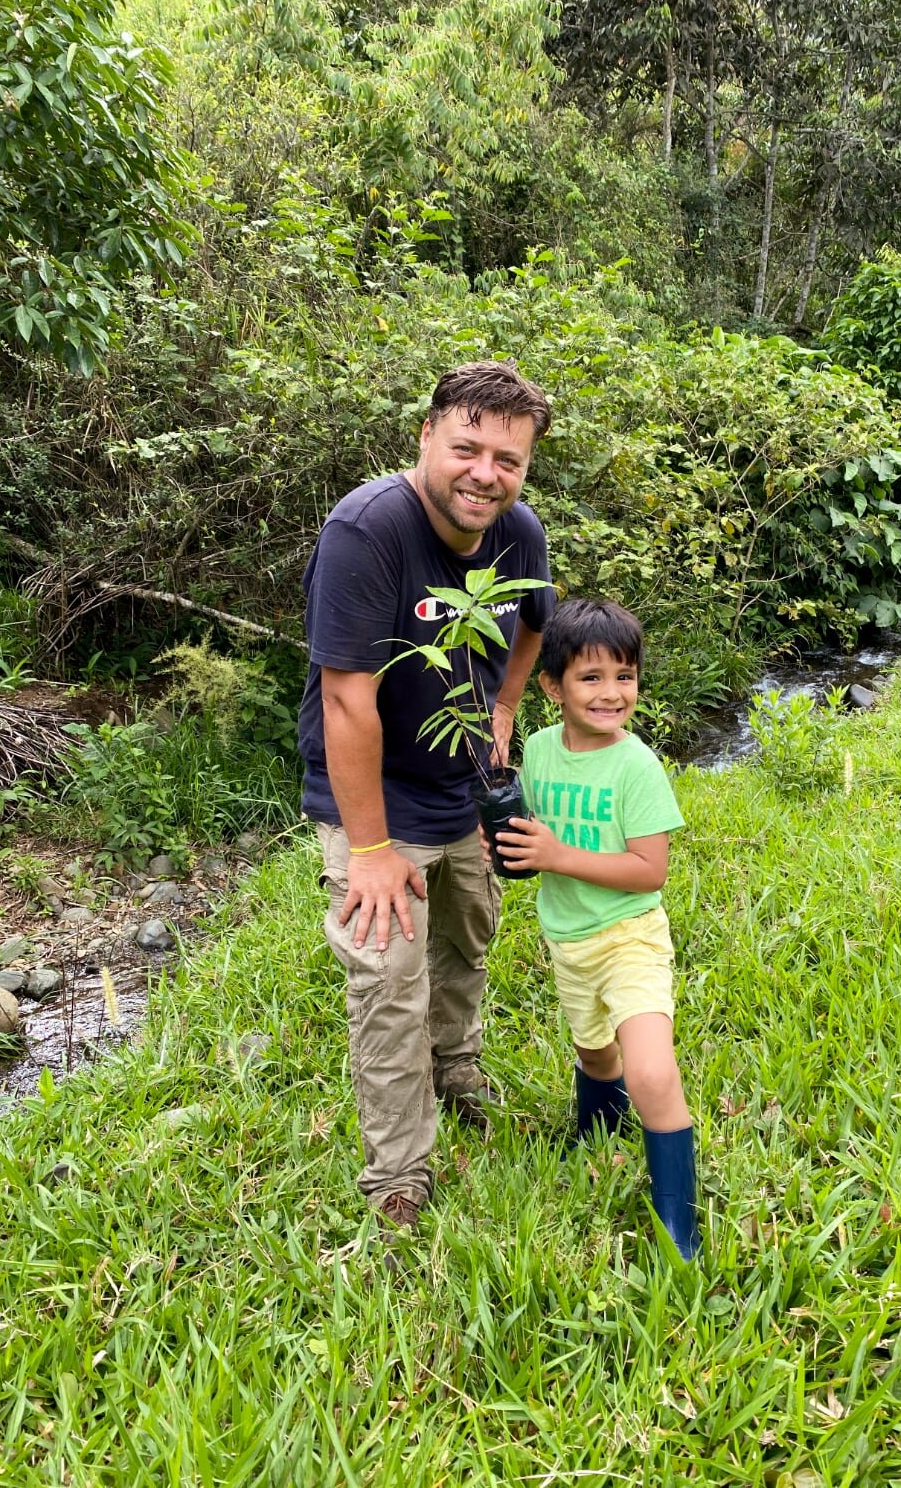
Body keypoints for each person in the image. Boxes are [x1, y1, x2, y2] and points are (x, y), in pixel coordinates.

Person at [298, 361, 555, 1252]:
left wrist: (507, 709)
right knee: (389, 975)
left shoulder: (518, 533)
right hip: (373, 794)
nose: (485, 472)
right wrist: (369, 850)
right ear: (426, 437)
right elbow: (346, 701)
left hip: (463, 785)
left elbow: (532, 622)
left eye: (508, 459)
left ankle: (458, 1069)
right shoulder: (367, 530)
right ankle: (399, 1171)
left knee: (465, 936)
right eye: (468, 448)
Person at [492, 598, 701, 1260]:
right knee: (593, 1054)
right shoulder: (541, 747)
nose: (611, 693)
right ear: (551, 685)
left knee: (650, 1071)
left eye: (624, 676)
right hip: (568, 939)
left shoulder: (635, 766)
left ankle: (678, 1222)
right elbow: (533, 827)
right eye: (591, 677)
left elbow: (649, 871)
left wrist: (556, 856)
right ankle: (598, 1136)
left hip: (629, 937)